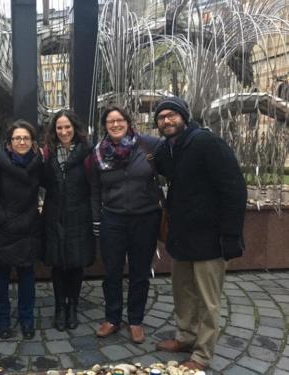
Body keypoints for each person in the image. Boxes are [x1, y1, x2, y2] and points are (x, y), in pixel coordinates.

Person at [153, 97, 247, 371]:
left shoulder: (207, 143)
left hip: (211, 239)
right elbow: (162, 165)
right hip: (183, 237)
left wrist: (231, 236)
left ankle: (202, 355)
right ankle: (185, 336)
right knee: (182, 291)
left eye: (171, 116)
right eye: (161, 118)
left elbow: (234, 190)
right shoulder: (172, 148)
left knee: (208, 300)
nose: (167, 121)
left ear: (183, 116)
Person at [91, 105, 162, 344]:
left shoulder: (148, 145)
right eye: (110, 121)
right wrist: (96, 218)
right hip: (113, 217)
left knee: (140, 272)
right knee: (112, 271)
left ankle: (135, 320)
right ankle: (112, 318)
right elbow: (94, 189)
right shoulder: (98, 152)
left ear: (128, 122)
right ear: (105, 126)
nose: (115, 125)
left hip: (146, 217)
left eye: (119, 120)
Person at [0, 120, 43, 340]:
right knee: (1, 276)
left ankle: (26, 319)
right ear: (9, 143)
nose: (21, 142)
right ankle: (2, 320)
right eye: (17, 138)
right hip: (2, 227)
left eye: (26, 138)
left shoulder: (38, 163)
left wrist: (32, 216)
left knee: (27, 276)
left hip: (28, 226)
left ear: (32, 142)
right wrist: (2, 218)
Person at [42, 109, 95, 331]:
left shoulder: (87, 152)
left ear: (74, 128)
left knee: (75, 264)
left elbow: (93, 183)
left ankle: (72, 305)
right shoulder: (48, 153)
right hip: (54, 214)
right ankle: (59, 307)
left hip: (79, 213)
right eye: (59, 127)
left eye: (67, 127)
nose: (64, 131)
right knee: (57, 264)